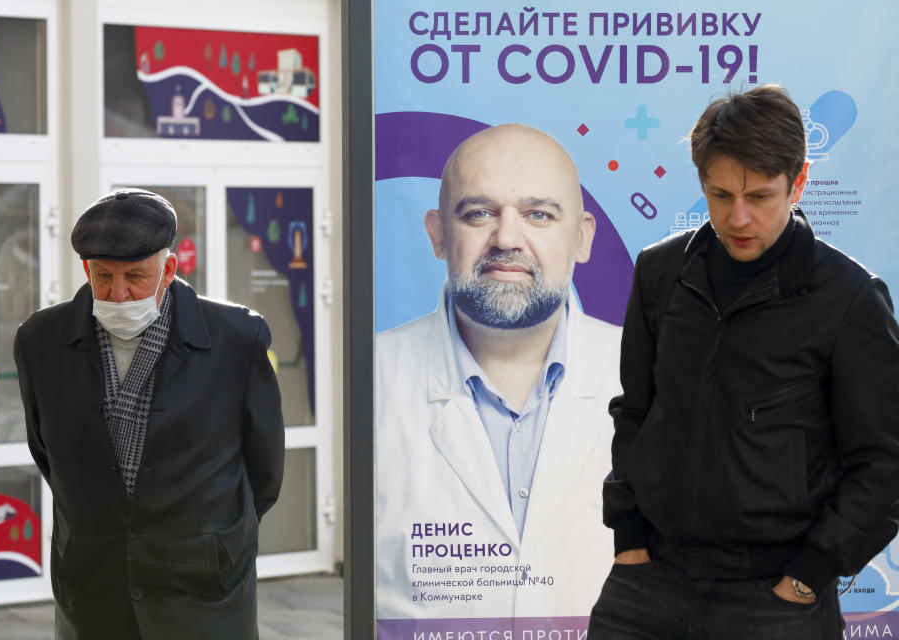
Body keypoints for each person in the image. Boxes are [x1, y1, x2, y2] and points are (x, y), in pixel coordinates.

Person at [590, 85, 899, 639]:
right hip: (647, 584)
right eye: (720, 194)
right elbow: (634, 411)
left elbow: (886, 462)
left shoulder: (850, 299)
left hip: (776, 598)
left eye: (759, 196)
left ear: (798, 182)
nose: (737, 217)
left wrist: (809, 576)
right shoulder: (660, 273)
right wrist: (628, 537)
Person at [375, 124, 622, 621]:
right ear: (438, 234)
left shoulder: (649, 374)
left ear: (582, 237)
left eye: (538, 214)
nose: (508, 237)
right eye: (479, 213)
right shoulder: (367, 380)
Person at [14, 188, 285, 639]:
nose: (118, 294)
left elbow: (265, 470)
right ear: (86, 269)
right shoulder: (40, 341)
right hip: (93, 588)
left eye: (136, 276)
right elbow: (47, 452)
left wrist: (213, 540)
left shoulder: (238, 337)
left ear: (169, 269)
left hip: (204, 590)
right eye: (103, 276)